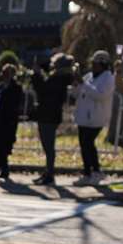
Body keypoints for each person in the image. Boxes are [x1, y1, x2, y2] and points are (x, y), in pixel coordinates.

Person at [72, 50, 115, 185]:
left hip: (96, 117)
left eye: (96, 64)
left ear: (103, 65)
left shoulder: (108, 78)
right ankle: (87, 173)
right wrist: (76, 84)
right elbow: (76, 93)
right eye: (93, 64)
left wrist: (83, 83)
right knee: (84, 145)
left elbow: (100, 95)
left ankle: (97, 171)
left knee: (87, 142)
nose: (93, 66)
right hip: (83, 117)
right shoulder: (89, 76)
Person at [29, 53, 72, 184]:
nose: (53, 65)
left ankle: (50, 174)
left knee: (49, 146)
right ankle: (48, 172)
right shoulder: (58, 77)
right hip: (47, 115)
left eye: (56, 63)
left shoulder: (61, 78)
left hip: (49, 116)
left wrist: (36, 74)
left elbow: (42, 88)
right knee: (47, 146)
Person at [0, 63, 24, 180]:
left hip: (8, 121)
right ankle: (3, 168)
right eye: (5, 73)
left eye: (9, 73)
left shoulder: (16, 88)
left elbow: (16, 103)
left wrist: (8, 88)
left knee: (4, 145)